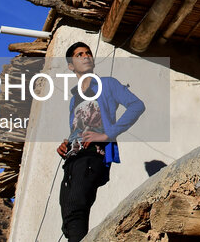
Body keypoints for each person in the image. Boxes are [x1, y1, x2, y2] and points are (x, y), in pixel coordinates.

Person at [57, 42, 145, 242]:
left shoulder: (108, 84)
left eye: (88, 53)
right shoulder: (74, 98)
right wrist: (66, 144)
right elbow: (78, 128)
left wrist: (107, 135)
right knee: (69, 217)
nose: (86, 56)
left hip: (92, 156)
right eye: (80, 54)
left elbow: (136, 105)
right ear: (71, 65)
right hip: (73, 158)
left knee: (75, 207)